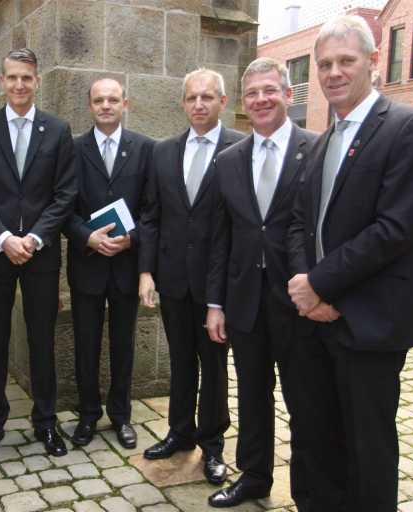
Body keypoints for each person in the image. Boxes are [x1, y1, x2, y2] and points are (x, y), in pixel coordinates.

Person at [287, 15, 413, 511]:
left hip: (369, 322)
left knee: (366, 450)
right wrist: (305, 287)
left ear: (374, 61)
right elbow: (299, 222)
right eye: (324, 63)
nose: (333, 72)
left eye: (345, 61)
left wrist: (321, 285)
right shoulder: (322, 140)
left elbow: (396, 229)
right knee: (316, 441)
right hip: (314, 321)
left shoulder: (410, 126)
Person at [205, 58, 317, 508]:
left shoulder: (317, 148)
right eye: (252, 93)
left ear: (288, 95)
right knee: (252, 394)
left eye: (270, 90)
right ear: (242, 102)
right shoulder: (228, 160)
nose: (261, 99)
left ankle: (310, 490)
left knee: (305, 399)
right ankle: (254, 477)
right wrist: (215, 304)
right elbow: (220, 238)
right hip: (244, 300)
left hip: (300, 301)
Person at [0, 48, 77, 459]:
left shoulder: (58, 130)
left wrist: (36, 238)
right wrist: (3, 238)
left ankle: (46, 421)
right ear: (2, 81)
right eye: (12, 77)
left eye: (26, 78)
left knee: (41, 339)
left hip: (40, 255)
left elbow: (65, 194)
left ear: (37, 81)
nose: (19, 84)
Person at [138, 68, 244, 484]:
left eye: (207, 97)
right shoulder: (163, 151)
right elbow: (151, 215)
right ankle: (179, 432)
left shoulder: (240, 148)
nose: (199, 104)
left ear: (222, 101)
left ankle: (212, 444)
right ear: (182, 103)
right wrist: (146, 271)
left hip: (217, 283)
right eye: (192, 97)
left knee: (213, 366)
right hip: (173, 279)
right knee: (180, 360)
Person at [63, 78, 154, 449]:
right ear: (90, 105)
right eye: (99, 100)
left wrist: (132, 239)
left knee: (123, 344)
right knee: (85, 344)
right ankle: (87, 414)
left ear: (125, 104)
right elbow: (61, 207)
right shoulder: (71, 149)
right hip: (87, 264)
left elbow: (152, 209)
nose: (105, 105)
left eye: (113, 99)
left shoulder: (145, 149)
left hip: (126, 265)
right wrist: (87, 237)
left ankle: (121, 415)